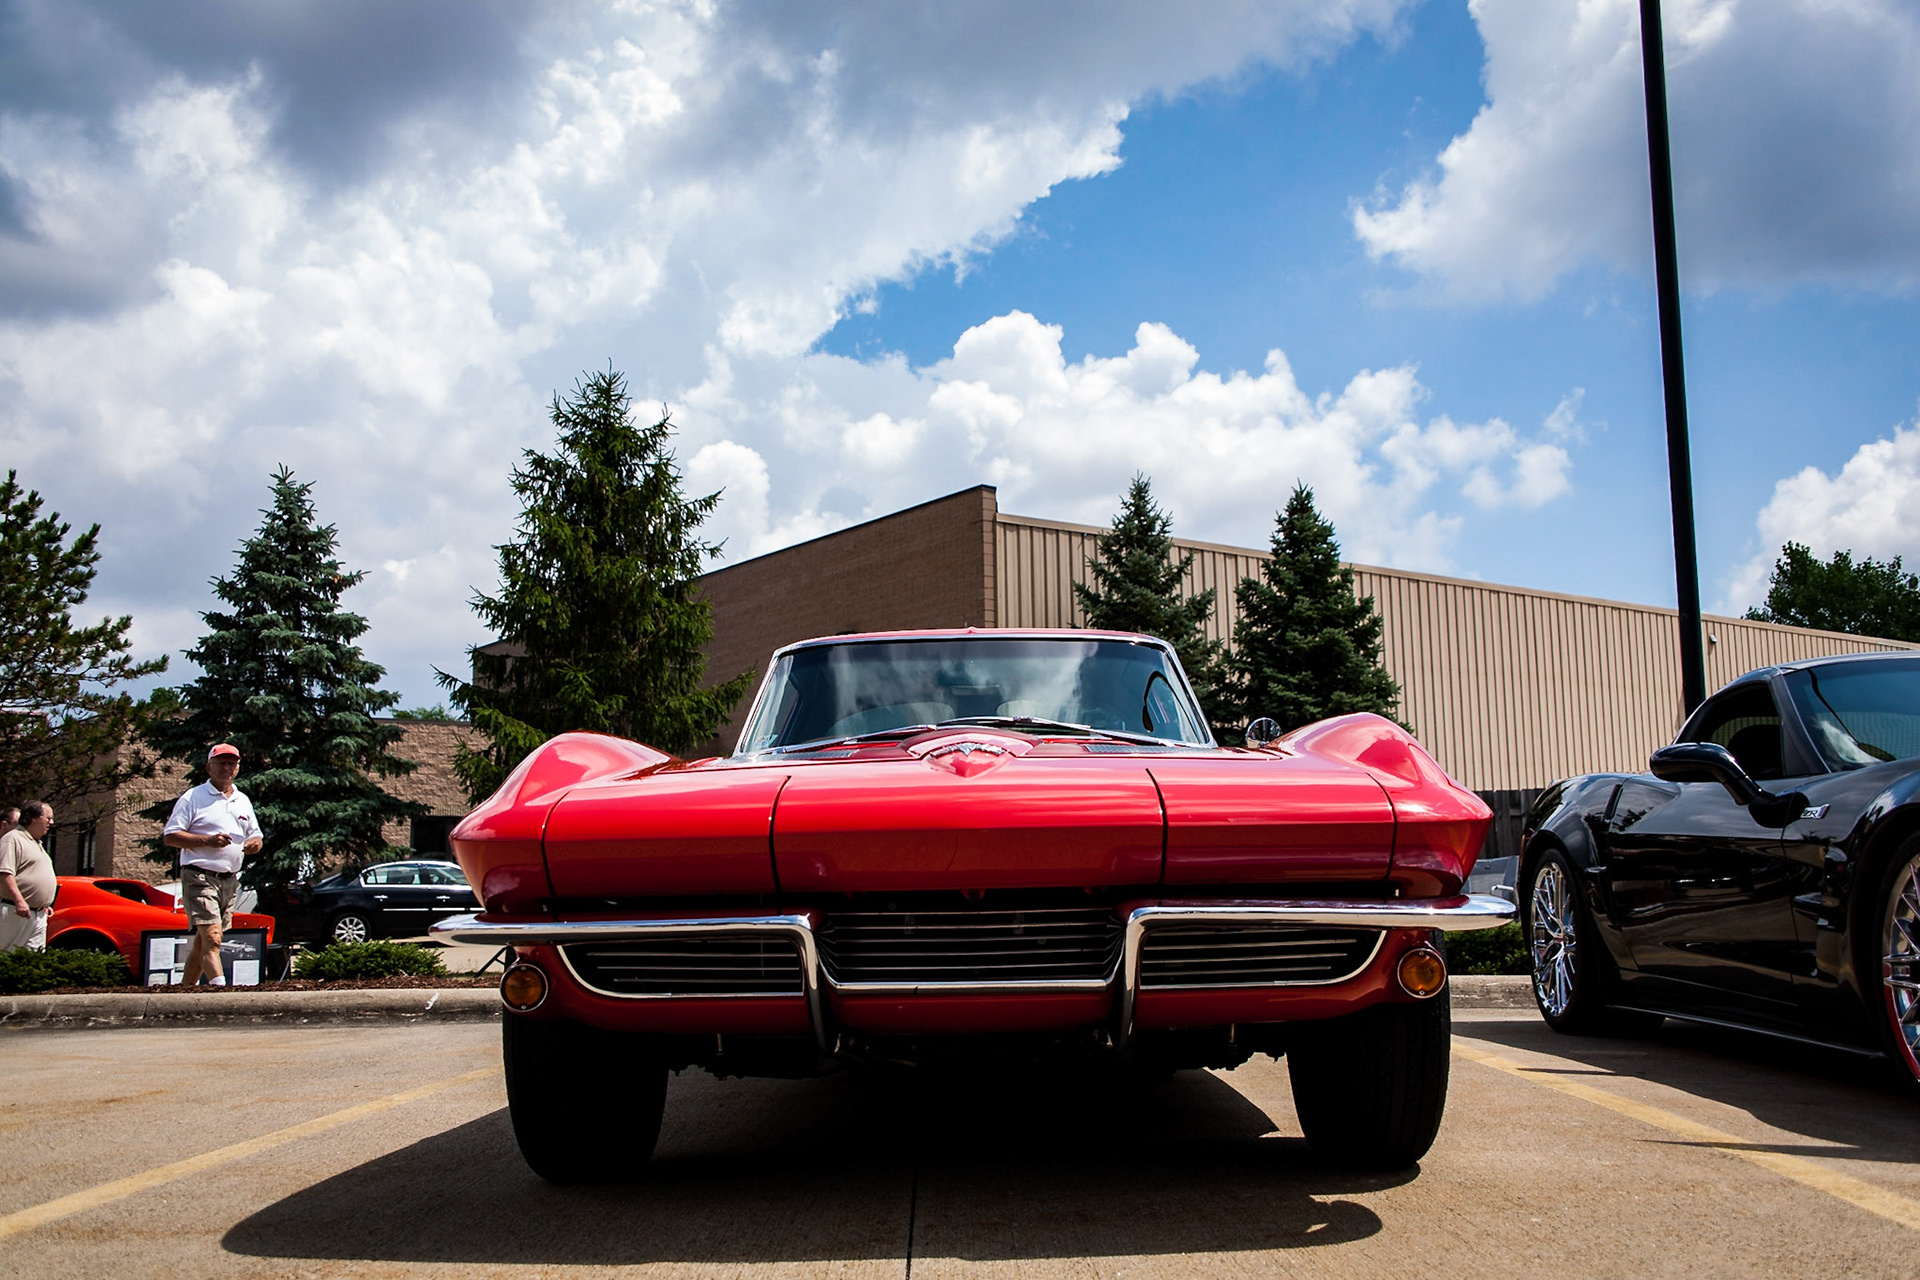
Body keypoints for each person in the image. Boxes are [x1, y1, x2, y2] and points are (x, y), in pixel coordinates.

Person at [162, 744, 263, 985]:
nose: (227, 768)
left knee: (204, 942)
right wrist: (207, 840)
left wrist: (254, 845)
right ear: (209, 767)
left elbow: (256, 836)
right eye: (221, 763)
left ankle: (184, 991)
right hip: (199, 876)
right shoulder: (193, 797)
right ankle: (221, 990)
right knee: (213, 938)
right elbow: (170, 835)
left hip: (229, 880)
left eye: (231, 763)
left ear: (237, 769)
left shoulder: (242, 801)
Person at [0, 801, 56, 951]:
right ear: (33, 818)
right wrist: (19, 901)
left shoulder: (37, 843)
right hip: (16, 912)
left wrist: (43, 903)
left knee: (33, 961)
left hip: (38, 915)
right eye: (48, 818)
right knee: (7, 956)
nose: (52, 822)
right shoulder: (13, 839)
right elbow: (5, 873)